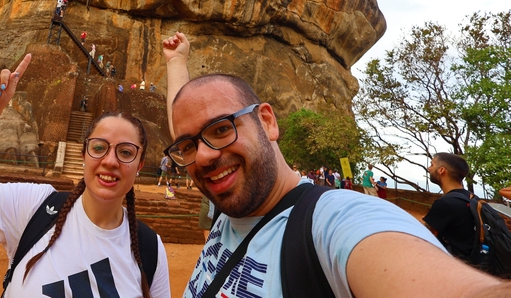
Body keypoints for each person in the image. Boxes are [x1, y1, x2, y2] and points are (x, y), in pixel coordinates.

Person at [161, 31, 505, 298]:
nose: (204, 155)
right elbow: (186, 123)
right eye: (189, 146)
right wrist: (176, 62)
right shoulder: (232, 204)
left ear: (267, 122)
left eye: (222, 129)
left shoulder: (330, 223)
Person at [0, 54, 170, 297]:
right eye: (99, 147)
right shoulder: (36, 207)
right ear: (84, 152)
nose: (110, 161)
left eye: (126, 152)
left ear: (139, 165)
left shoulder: (149, 249)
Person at [423, 153, 476, 261]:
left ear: (441, 170)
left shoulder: (445, 204)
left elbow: (424, 236)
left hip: (454, 265)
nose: (429, 168)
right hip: (473, 262)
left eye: (432, 165)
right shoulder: (472, 198)